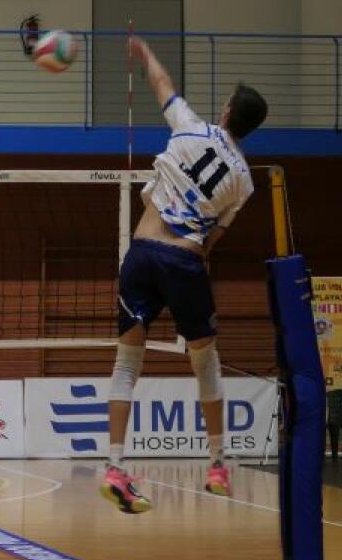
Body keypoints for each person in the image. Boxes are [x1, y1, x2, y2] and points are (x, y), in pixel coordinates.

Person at [100, 37, 267, 514]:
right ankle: (217, 464)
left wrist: (143, 51)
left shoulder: (190, 127)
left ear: (228, 108)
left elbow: (161, 84)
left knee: (126, 364)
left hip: (140, 254)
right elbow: (213, 240)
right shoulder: (244, 181)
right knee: (204, 363)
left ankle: (114, 466)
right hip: (184, 260)